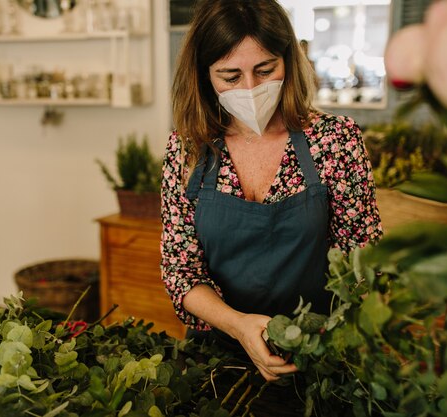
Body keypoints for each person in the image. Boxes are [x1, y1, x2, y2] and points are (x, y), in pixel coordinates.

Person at [161, 0, 382, 382]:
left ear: (288, 62)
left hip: (317, 356)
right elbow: (181, 270)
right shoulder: (188, 150)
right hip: (215, 357)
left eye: (265, 70)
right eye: (230, 76)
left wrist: (335, 334)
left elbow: (363, 260)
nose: (250, 88)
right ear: (203, 76)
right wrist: (240, 326)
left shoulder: (335, 141)